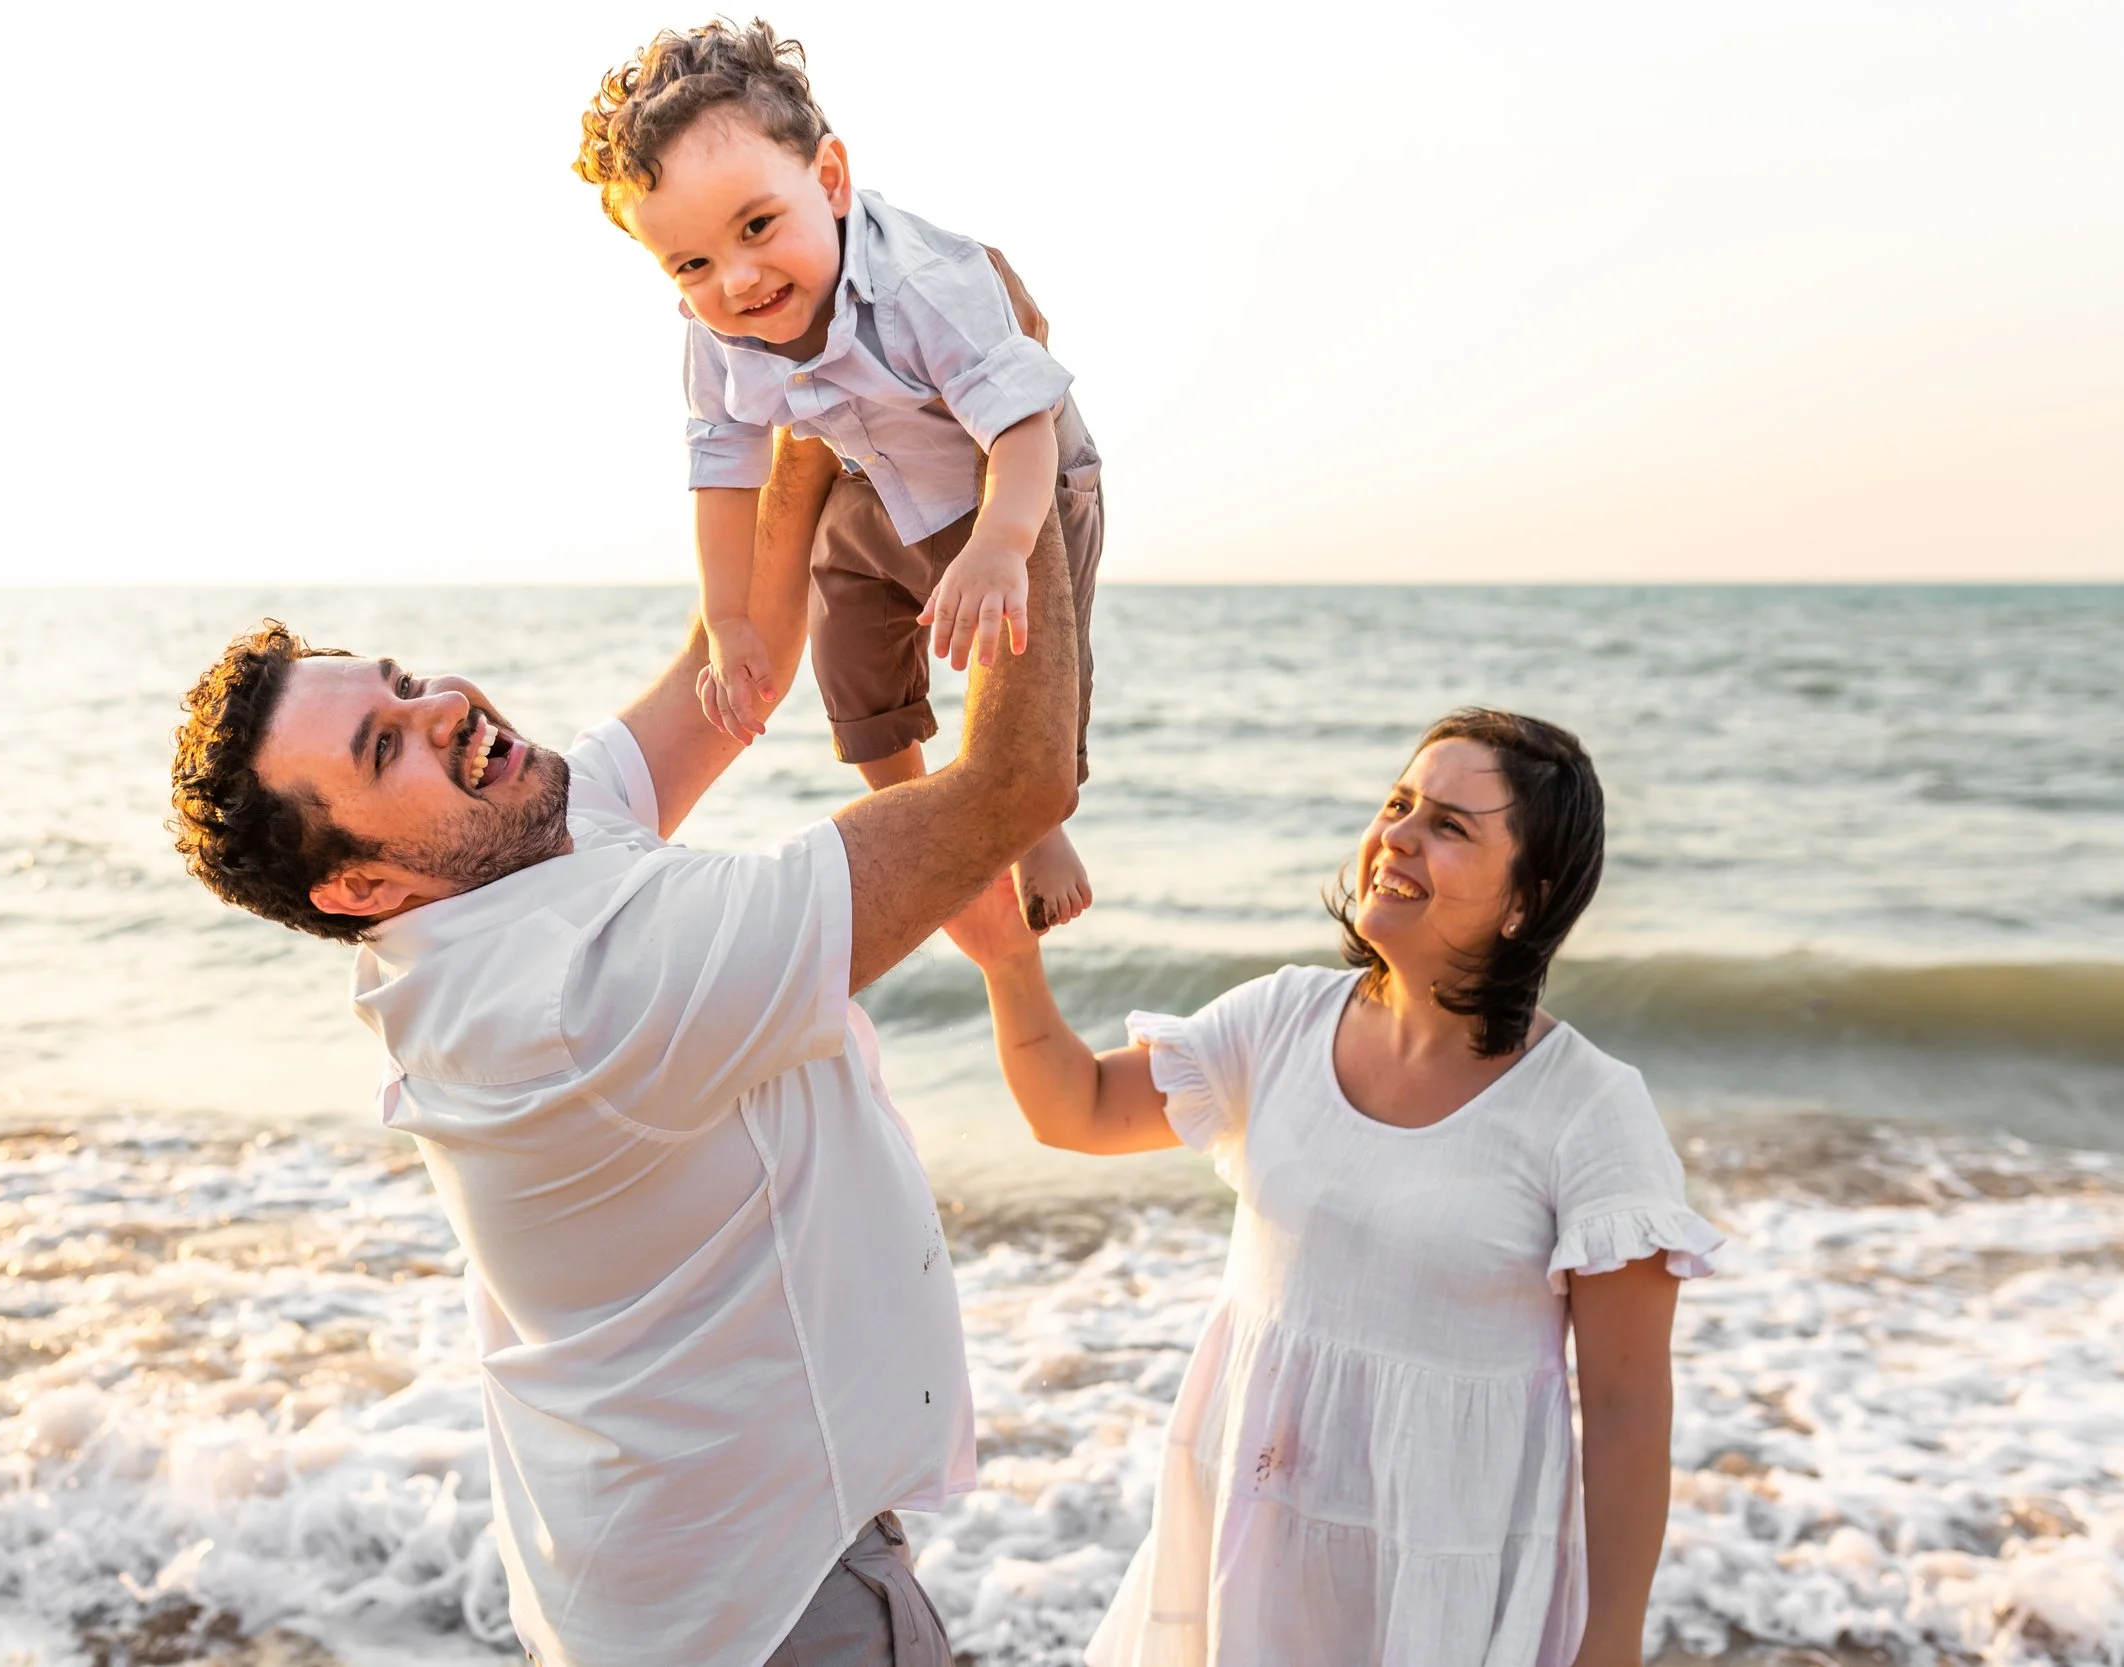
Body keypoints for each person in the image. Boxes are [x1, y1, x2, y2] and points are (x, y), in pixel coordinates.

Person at [164, 432, 1082, 1667]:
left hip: (652, 1583)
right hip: (760, 1607)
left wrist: (805, 431)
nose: (443, 711)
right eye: (385, 748)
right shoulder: (578, 996)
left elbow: (735, 670)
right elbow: (1013, 785)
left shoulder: (504, 846)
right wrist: (1014, 470)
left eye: (401, 681)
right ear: (358, 883)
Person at [952, 709, 1723, 1666]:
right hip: (1251, 1533)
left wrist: (1612, 1640)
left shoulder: (1590, 1112)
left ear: (1528, 897)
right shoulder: (1281, 1019)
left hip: (1442, 1572)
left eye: (1450, 824)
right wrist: (1009, 962)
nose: (1396, 835)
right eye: (1399, 803)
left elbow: (1625, 1408)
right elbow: (1074, 1108)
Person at [574, 18, 1105, 930]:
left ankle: (1039, 820)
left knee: (1019, 647)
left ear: (828, 179)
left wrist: (1001, 543)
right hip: (878, 480)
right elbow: (723, 461)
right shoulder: (713, 332)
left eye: (758, 226)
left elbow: (1025, 421)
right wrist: (730, 618)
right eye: (694, 263)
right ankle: (913, 811)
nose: (737, 280)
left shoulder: (924, 282)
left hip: (1014, 475)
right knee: (844, 634)